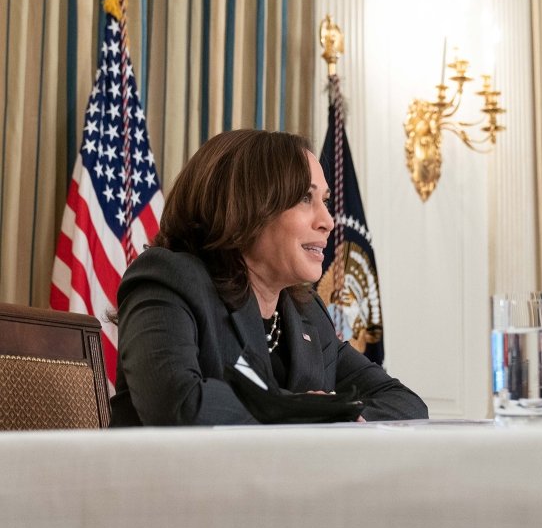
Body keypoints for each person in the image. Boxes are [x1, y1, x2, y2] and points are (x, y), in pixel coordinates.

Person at [110, 129, 428, 426]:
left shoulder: (307, 315)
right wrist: (305, 411)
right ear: (245, 207)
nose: (328, 221)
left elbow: (406, 405)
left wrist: (329, 418)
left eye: (326, 201)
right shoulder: (170, 281)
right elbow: (179, 404)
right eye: (306, 198)